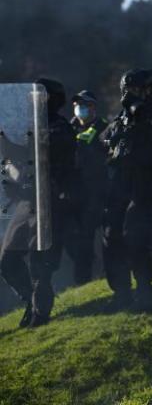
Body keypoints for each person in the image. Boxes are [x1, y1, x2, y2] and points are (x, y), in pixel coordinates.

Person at [0, 78, 75, 327]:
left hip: (50, 203)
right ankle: (30, 303)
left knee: (39, 264)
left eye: (36, 96)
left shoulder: (59, 128)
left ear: (49, 99)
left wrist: (6, 145)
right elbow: (21, 164)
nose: (30, 100)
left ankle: (40, 316)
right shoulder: (32, 126)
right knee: (8, 260)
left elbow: (34, 154)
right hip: (28, 201)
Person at [100, 70, 152, 311]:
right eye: (133, 90)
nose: (139, 94)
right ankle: (121, 292)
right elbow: (106, 140)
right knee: (111, 234)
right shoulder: (121, 117)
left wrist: (139, 112)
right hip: (120, 181)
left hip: (146, 181)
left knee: (134, 232)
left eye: (142, 89)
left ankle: (144, 288)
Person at [67, 89, 109, 285]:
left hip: (96, 192)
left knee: (90, 236)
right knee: (74, 240)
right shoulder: (68, 128)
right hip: (73, 193)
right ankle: (87, 275)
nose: (80, 108)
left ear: (93, 107)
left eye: (85, 104)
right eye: (77, 105)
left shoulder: (103, 127)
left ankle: (87, 280)